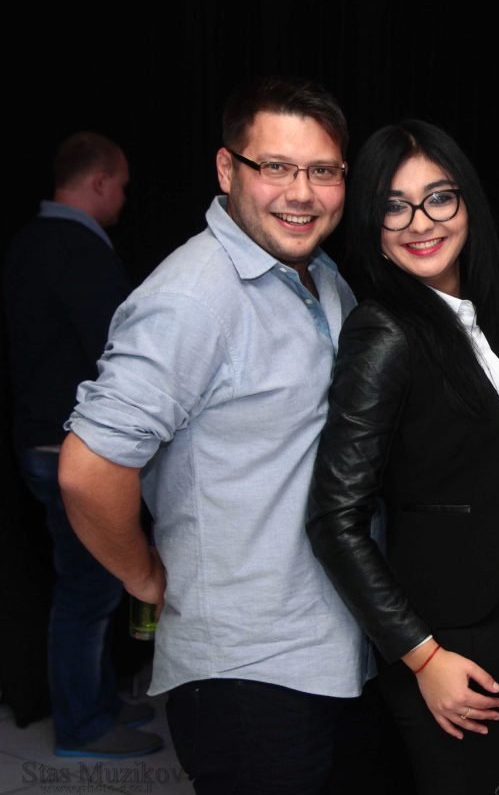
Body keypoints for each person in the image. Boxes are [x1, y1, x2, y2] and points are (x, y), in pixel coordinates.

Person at [57, 77, 366, 794]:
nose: (301, 192)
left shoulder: (319, 276)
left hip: (322, 649)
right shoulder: (193, 297)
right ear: (228, 169)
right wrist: (143, 575)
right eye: (276, 167)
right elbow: (88, 468)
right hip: (246, 672)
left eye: (322, 171)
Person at [305, 120, 499, 793]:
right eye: (395, 206)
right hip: (452, 632)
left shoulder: (477, 321)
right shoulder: (384, 330)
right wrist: (421, 656)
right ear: (372, 224)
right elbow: (334, 517)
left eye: (439, 197)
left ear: (468, 202)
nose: (421, 222)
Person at [3, 132, 160, 758]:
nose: (123, 198)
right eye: (121, 185)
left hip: (38, 439)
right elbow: (117, 349)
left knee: (86, 585)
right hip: (70, 449)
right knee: (88, 591)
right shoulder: (79, 249)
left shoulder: (27, 242)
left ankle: (94, 703)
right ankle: (83, 725)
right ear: (98, 181)